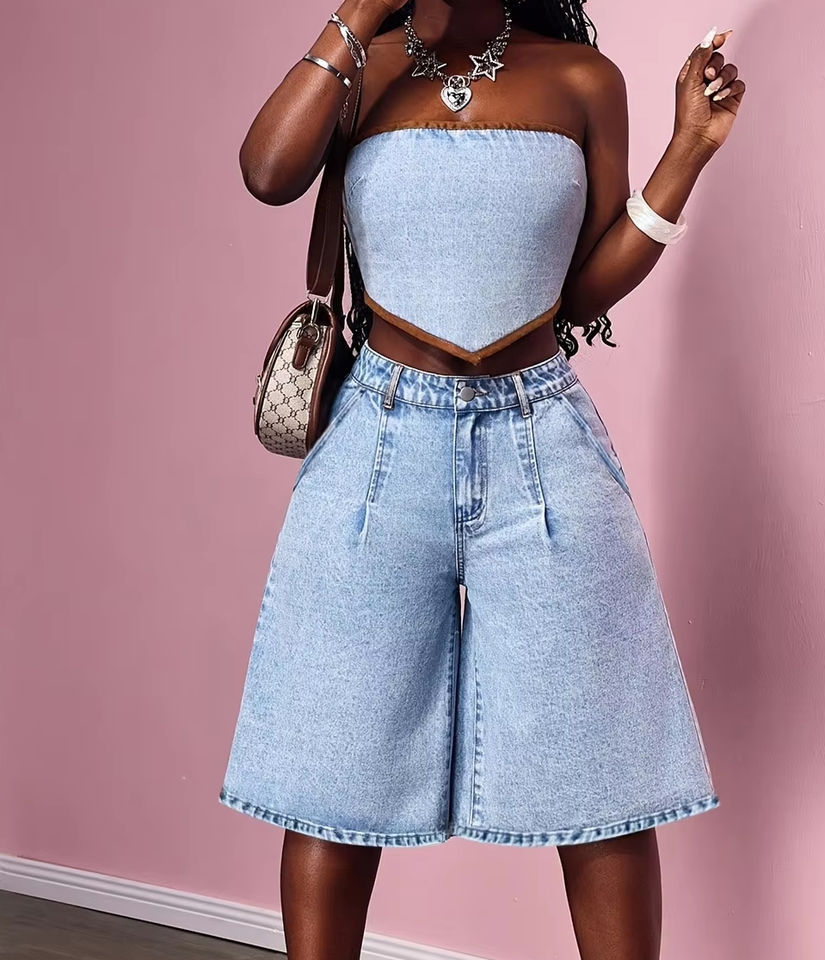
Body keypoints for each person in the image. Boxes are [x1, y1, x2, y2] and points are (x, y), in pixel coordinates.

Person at [219, 1, 745, 957]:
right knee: (335, 775)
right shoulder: (362, 67)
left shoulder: (582, 79)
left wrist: (689, 152)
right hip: (377, 441)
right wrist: (357, 16)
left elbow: (581, 290)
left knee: (601, 772)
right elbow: (266, 173)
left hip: (541, 438)